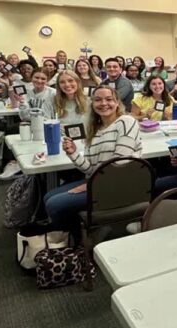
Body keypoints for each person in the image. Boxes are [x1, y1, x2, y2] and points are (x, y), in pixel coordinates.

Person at [44, 85, 142, 232]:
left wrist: (91, 185)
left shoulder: (126, 122)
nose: (103, 103)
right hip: (98, 182)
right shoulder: (94, 130)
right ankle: (72, 236)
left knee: (54, 204)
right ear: (93, 104)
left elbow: (121, 162)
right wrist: (74, 153)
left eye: (109, 99)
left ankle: (72, 239)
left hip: (119, 185)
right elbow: (89, 169)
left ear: (117, 103)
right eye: (98, 100)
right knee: (49, 196)